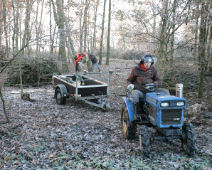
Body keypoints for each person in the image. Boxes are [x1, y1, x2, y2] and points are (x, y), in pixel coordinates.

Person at [127, 54, 170, 120]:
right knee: (134, 93)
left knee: (165, 91)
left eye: (149, 63)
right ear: (143, 62)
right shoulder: (135, 69)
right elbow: (129, 80)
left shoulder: (153, 69)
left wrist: (153, 84)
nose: (148, 64)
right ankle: (137, 114)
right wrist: (129, 85)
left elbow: (159, 80)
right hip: (140, 90)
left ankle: (166, 112)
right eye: (146, 62)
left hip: (152, 90)